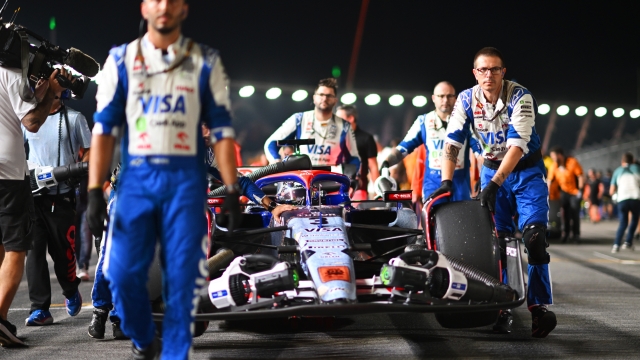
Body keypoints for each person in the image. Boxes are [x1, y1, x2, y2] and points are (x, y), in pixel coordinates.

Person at [86, 0, 241, 358]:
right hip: (136, 182)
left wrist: (231, 187)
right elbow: (104, 130)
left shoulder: (206, 61)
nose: (164, 6)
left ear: (184, 9)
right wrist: (95, 189)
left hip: (185, 184)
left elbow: (220, 129)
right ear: (144, 8)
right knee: (121, 276)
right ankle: (143, 339)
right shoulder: (120, 61)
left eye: (173, 0)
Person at [428, 47, 556, 338]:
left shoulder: (520, 96)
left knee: (535, 240)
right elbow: (452, 143)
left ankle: (539, 308)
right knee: (498, 246)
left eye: (494, 69)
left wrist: (495, 184)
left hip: (526, 173)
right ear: (475, 73)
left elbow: (517, 146)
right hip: (491, 170)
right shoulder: (465, 99)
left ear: (503, 72)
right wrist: (446, 182)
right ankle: (503, 307)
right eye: (483, 70)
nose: (489, 75)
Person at [0, 63, 69, 345]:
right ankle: (1, 319)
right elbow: (31, 121)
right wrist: (52, 94)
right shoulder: (9, 72)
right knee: (16, 249)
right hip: (8, 174)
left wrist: (38, 93)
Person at [22, 94, 91, 326]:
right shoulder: (28, 120)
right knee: (34, 253)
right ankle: (40, 309)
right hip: (33, 198)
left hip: (61, 199)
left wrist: (76, 173)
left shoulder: (75, 119)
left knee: (63, 255)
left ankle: (71, 290)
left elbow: (91, 152)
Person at [382, 81, 478, 203]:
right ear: (433, 98)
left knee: (462, 220)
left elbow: (479, 150)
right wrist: (386, 163)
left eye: (449, 96)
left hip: (460, 183)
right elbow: (403, 148)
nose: (445, 100)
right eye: (441, 96)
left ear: (455, 98)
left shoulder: (466, 122)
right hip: (433, 183)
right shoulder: (423, 121)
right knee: (432, 220)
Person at [263, 78, 360, 169]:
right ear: (314, 98)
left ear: (335, 100)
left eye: (329, 96)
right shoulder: (299, 119)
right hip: (303, 178)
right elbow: (271, 143)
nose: (324, 98)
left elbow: (354, 158)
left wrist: (351, 176)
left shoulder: (345, 126)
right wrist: (277, 162)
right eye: (321, 94)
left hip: (331, 180)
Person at [336, 104, 379, 199]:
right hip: (335, 189)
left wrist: (377, 191)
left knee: (356, 214)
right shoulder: (335, 139)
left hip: (358, 190)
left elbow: (373, 166)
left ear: (350, 118)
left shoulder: (366, 138)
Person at [547, 146, 584, 243]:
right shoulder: (554, 165)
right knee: (564, 214)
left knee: (574, 213)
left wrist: (580, 190)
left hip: (574, 193)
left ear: (560, 155)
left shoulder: (572, 162)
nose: (553, 160)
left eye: (554, 157)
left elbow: (580, 176)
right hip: (563, 192)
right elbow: (549, 181)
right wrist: (547, 192)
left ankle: (576, 235)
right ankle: (566, 234)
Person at [609, 152, 640, 253]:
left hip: (622, 199)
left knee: (623, 222)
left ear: (622, 161)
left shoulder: (618, 171)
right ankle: (628, 242)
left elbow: (611, 190)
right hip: (635, 198)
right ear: (632, 161)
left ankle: (616, 245)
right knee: (634, 220)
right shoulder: (637, 168)